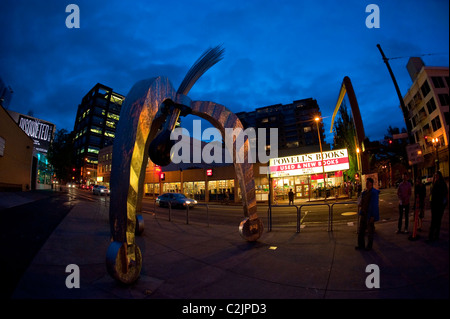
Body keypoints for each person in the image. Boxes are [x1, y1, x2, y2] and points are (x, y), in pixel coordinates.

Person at [356, 177, 380, 251]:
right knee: (361, 230)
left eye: (368, 183)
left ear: (371, 184)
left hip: (370, 215)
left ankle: (369, 246)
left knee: (370, 231)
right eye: (366, 183)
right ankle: (361, 245)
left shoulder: (374, 193)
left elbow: (375, 205)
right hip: (363, 213)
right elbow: (361, 202)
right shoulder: (365, 193)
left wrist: (373, 216)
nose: (366, 184)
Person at [427, 171, 448, 242]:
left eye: (437, 176)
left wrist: (443, 204)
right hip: (434, 204)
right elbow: (431, 193)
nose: (436, 177)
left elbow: (445, 194)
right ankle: (434, 235)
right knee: (435, 220)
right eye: (435, 176)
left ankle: (433, 236)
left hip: (439, 205)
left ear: (439, 176)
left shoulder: (441, 183)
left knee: (436, 221)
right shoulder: (434, 183)